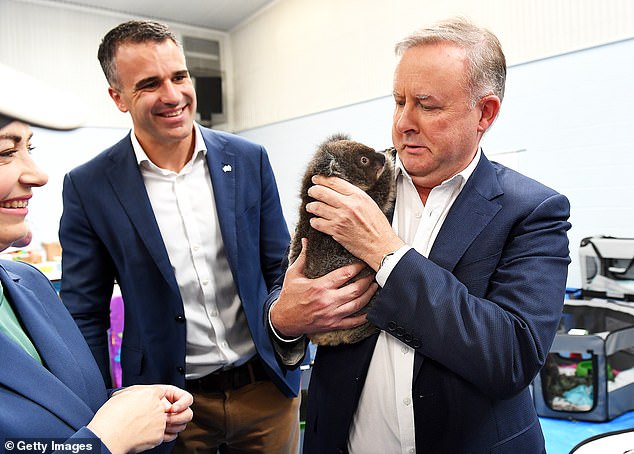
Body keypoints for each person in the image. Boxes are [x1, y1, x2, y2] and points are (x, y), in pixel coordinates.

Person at [268, 17, 571, 453]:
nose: (403, 122)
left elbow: (510, 356)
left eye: (427, 106)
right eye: (398, 101)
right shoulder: (356, 181)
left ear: (484, 112)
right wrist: (283, 320)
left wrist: (385, 251)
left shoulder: (532, 211)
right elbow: (287, 285)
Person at [58, 20, 301, 453]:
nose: (172, 95)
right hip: (168, 409)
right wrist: (101, 414)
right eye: (149, 84)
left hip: (264, 390)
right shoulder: (89, 186)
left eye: (179, 76)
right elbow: (84, 313)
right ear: (118, 97)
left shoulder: (247, 159)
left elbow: (277, 268)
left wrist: (287, 343)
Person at [0, 62, 193, 453]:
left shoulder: (30, 283)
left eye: (29, 148)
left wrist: (130, 408)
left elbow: (67, 405)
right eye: (5, 152)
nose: (38, 175)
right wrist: (104, 442)